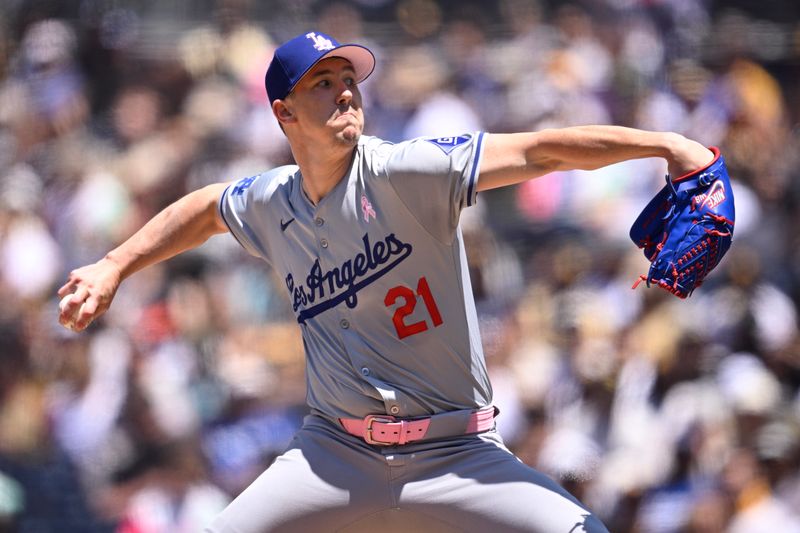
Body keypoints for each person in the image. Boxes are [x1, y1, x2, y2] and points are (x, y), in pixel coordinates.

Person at [58, 30, 714, 533]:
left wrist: (664, 143)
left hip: (456, 449)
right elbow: (203, 208)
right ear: (284, 115)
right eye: (324, 82)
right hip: (334, 452)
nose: (346, 89)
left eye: (350, 78)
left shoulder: (407, 170)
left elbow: (541, 150)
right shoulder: (273, 200)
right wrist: (115, 263)